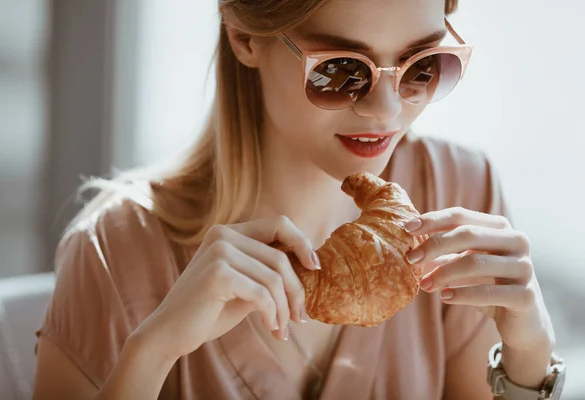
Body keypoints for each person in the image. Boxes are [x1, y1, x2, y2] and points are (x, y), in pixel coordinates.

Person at [32, 0, 559, 399]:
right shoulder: (114, 253)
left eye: (423, 64)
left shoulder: (459, 188)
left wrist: (530, 356)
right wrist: (151, 354)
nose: (385, 110)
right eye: (341, 70)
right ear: (244, 37)